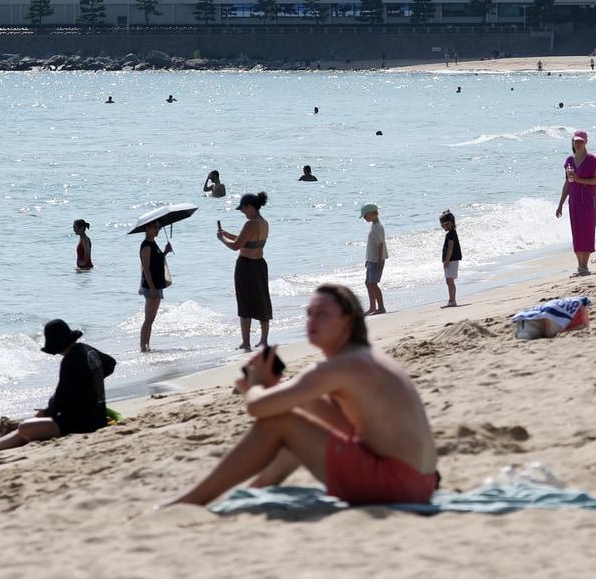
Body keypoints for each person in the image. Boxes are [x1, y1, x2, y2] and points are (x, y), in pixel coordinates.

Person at [165, 285, 437, 508]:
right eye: (309, 313)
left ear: (348, 322)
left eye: (322, 314)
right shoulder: (362, 358)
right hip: (419, 484)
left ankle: (189, 502)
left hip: (393, 485)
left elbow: (257, 409)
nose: (311, 321)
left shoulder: (339, 366)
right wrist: (277, 388)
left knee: (279, 423)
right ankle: (256, 488)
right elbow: (342, 426)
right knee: (298, 421)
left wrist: (257, 385)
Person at [0, 319, 116, 457]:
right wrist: (89, 380)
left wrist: (46, 412)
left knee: (25, 427)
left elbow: (62, 396)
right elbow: (110, 363)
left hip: (82, 423)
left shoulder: (70, 360)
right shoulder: (87, 349)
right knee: (28, 427)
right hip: (97, 416)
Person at [219, 192, 273, 351]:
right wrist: (228, 234)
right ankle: (264, 340)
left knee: (244, 303)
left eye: (243, 209)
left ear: (250, 207)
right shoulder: (263, 223)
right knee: (263, 301)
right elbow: (248, 241)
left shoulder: (250, 224)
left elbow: (236, 246)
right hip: (260, 265)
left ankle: (246, 341)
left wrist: (222, 239)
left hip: (246, 265)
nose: (242, 212)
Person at [557, 130, 596, 276]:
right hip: (574, 201)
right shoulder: (569, 161)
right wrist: (560, 204)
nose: (578, 144)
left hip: (588, 200)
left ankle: (584, 267)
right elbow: (567, 183)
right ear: (572, 142)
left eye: (580, 141)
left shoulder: (591, 160)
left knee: (587, 231)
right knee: (576, 232)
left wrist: (579, 180)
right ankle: (580, 266)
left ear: (586, 142)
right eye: (575, 141)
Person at [139, 221, 168, 352]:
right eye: (155, 227)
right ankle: (143, 347)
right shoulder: (146, 246)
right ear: (147, 228)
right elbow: (146, 268)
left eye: (159, 227)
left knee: (151, 319)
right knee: (148, 319)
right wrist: (152, 288)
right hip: (152, 286)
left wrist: (165, 252)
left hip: (156, 285)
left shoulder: (153, 243)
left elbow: (157, 262)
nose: (157, 230)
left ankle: (147, 345)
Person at [361, 203, 387, 315]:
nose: (364, 218)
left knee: (374, 283)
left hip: (376, 260)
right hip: (371, 258)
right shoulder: (373, 225)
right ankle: (372, 307)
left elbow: (381, 245)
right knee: (368, 283)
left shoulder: (378, 227)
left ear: (372, 214)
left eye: (365, 216)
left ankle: (381, 307)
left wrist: (380, 261)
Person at [439, 210, 461, 308]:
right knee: (449, 281)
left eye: (446, 224)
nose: (444, 227)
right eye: (442, 225)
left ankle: (452, 300)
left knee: (449, 281)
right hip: (451, 260)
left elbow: (450, 248)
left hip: (451, 260)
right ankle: (452, 300)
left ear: (452, 223)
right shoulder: (451, 233)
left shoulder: (451, 234)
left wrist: (447, 260)